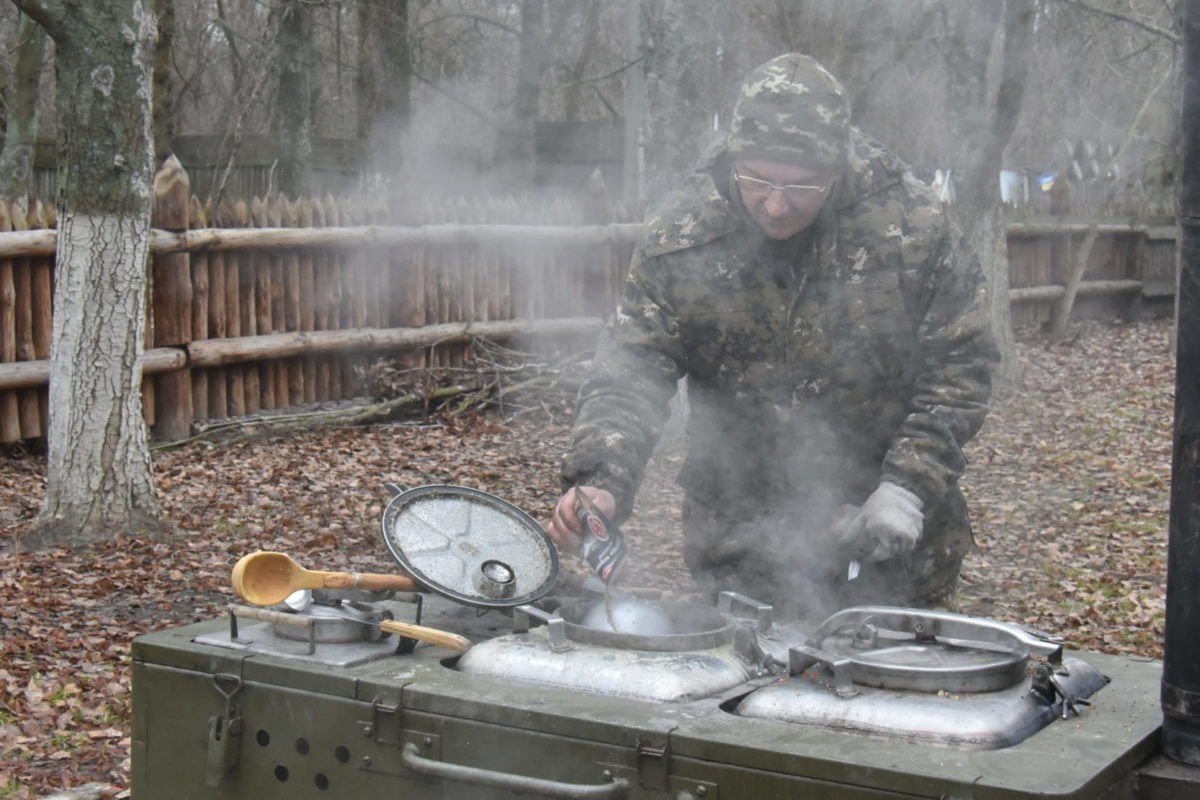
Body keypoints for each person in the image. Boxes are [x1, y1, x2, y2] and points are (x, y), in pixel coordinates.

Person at [545, 54, 998, 618]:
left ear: (836, 166)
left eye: (800, 185)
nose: (776, 205)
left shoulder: (912, 228)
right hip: (743, 541)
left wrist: (909, 483)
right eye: (758, 180)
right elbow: (632, 369)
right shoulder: (683, 234)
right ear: (734, 157)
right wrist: (602, 476)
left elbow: (962, 363)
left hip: (889, 543)